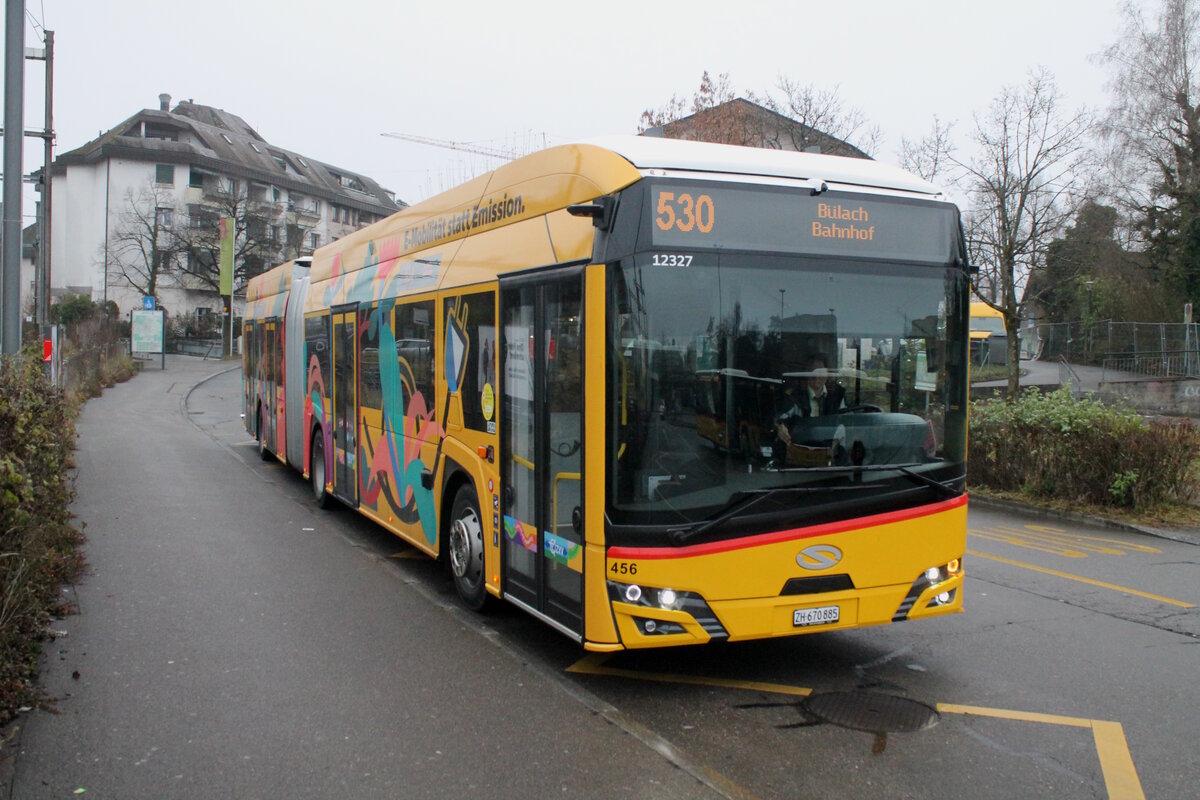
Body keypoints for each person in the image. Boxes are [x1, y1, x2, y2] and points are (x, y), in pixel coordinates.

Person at [775, 354, 845, 447]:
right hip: (802, 449)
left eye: (820, 371)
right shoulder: (795, 396)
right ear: (806, 373)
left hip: (831, 449)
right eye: (812, 371)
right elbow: (778, 418)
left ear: (828, 373)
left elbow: (847, 420)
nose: (816, 376)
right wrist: (780, 427)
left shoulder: (837, 395)